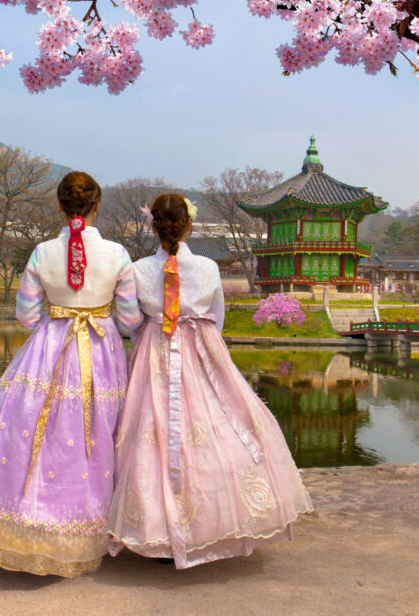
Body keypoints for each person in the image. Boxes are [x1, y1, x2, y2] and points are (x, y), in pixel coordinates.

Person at [107, 192, 313, 569]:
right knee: (217, 427)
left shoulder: (137, 269)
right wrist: (202, 342)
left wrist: (150, 338)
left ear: (153, 227)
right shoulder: (207, 267)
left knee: (149, 433)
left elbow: (130, 323)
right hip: (202, 349)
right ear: (189, 226)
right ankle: (208, 524)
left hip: (155, 349)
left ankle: (157, 530)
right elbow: (215, 317)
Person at [0, 171, 141, 577]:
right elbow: (129, 319)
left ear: (60, 205)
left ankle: (26, 522)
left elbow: (24, 315)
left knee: (36, 432)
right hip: (99, 351)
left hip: (49, 348)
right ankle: (91, 526)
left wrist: (58, 314)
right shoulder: (118, 255)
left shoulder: (41, 252)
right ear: (97, 206)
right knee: (95, 435)